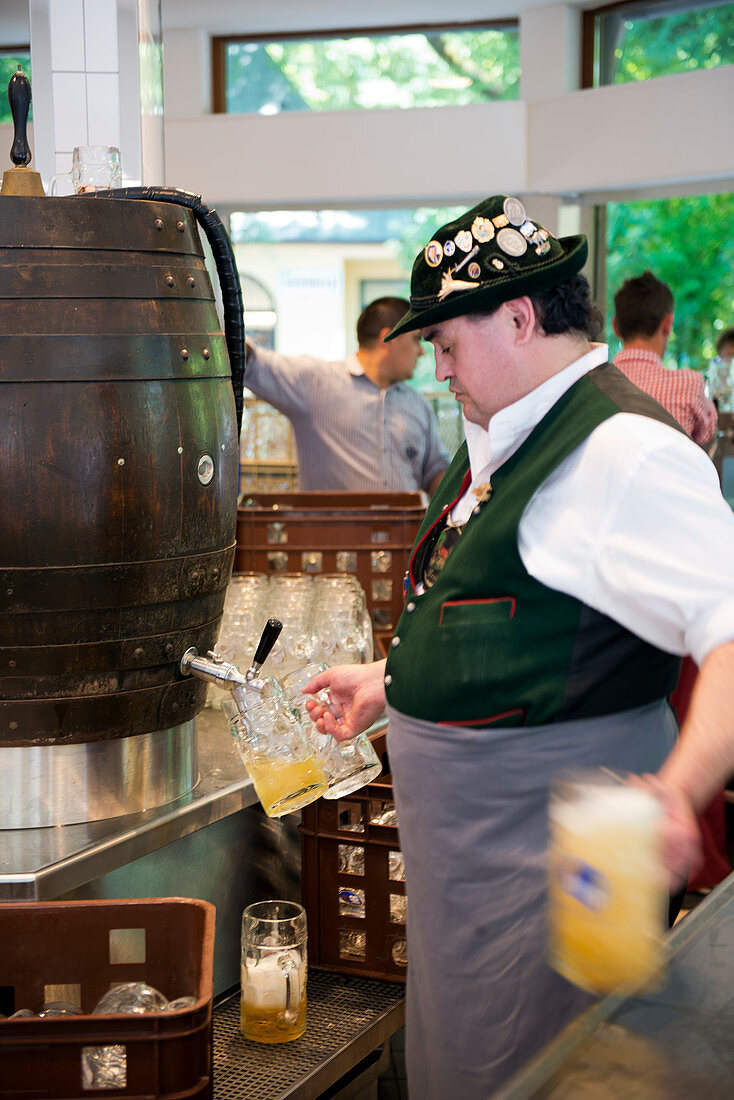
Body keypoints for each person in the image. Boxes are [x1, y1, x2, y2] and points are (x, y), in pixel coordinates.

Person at [303, 195, 734, 1098]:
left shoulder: (623, 454)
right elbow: (517, 616)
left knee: (537, 1074)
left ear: (519, 317)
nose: (437, 369)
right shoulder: (508, 437)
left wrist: (679, 792)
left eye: (448, 345)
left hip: (552, 879)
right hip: (469, 882)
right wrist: (391, 682)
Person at [243, 297, 450, 493]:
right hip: (332, 530)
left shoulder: (417, 404)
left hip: (407, 530)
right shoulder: (317, 384)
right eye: (416, 339)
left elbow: (435, 471)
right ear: (389, 338)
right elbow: (254, 364)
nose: (422, 352)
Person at [612, 270, 717, 446]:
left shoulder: (592, 386)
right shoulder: (689, 385)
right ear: (668, 324)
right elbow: (706, 436)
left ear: (615, 327)